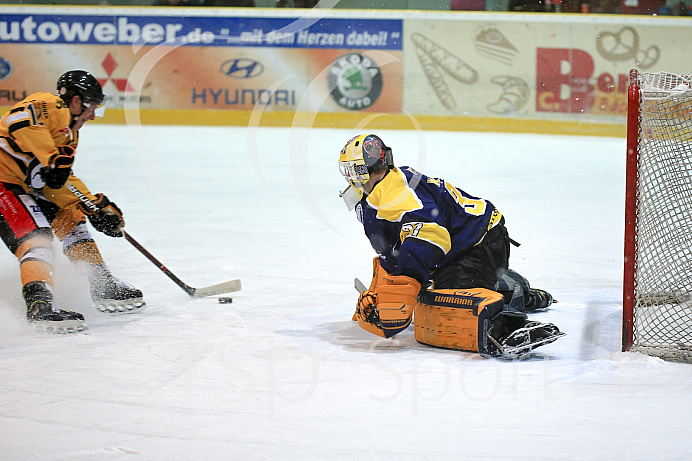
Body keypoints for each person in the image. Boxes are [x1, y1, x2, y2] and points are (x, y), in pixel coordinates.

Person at [338, 134, 563, 357]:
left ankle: (504, 325)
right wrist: (384, 292)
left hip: (481, 244)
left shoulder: (395, 194)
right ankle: (510, 288)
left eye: (349, 171)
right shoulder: (384, 189)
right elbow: (398, 247)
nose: (349, 179)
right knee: (431, 290)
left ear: (360, 171)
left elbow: (430, 236)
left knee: (447, 302)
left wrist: (400, 293)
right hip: (463, 248)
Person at [0, 70, 144, 333]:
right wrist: (50, 158)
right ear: (76, 101)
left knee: (72, 216)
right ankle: (39, 305)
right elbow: (19, 120)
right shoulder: (50, 104)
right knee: (37, 240)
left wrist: (93, 206)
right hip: (2, 182)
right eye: (91, 107)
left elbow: (59, 181)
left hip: (25, 185)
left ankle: (100, 281)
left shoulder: (70, 135)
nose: (92, 115)